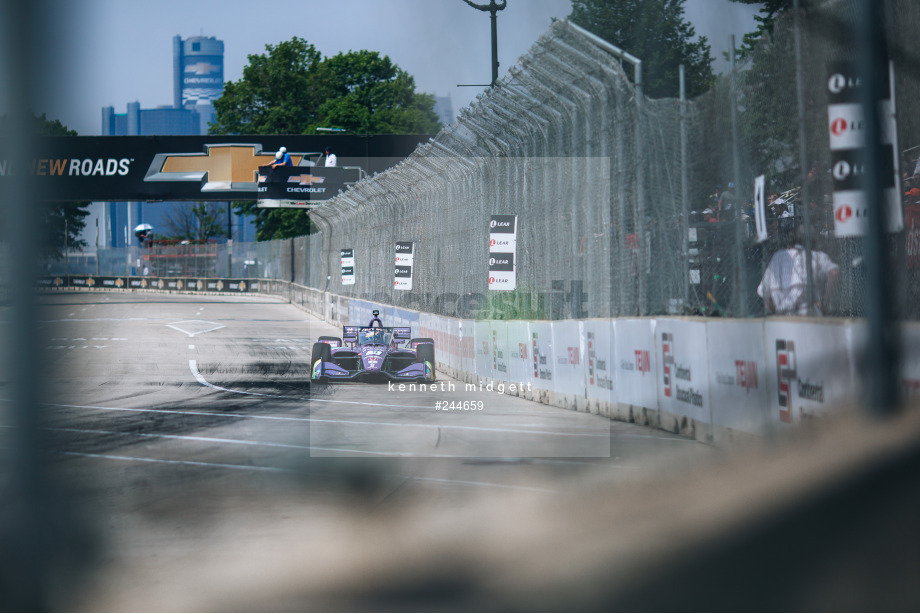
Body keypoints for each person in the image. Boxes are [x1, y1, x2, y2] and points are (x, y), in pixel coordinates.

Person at [757, 228, 839, 316]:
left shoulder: (778, 256)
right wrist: (825, 302)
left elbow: (764, 289)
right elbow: (834, 272)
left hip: (782, 315)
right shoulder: (817, 256)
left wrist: (773, 308)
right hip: (809, 312)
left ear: (789, 243)